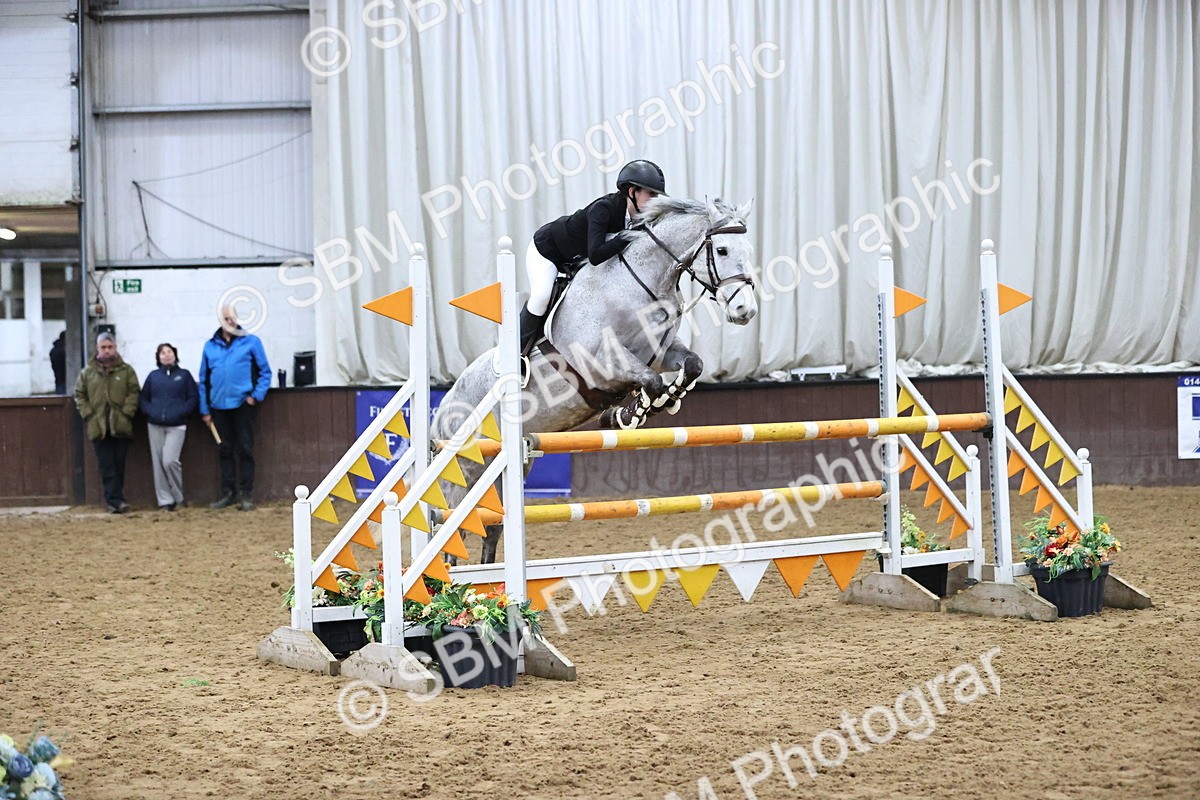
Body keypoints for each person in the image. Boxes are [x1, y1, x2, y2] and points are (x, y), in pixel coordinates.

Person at [521, 159, 666, 351]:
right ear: (632, 191)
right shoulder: (603, 209)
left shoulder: (639, 219)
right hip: (547, 250)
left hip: (577, 260)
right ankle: (516, 352)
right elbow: (596, 255)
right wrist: (628, 235)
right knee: (541, 296)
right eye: (651, 194)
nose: (656, 200)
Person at [199, 306, 271, 511]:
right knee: (224, 450)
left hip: (242, 406)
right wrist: (205, 410)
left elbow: (265, 372)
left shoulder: (251, 342)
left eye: (231, 318)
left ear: (237, 319)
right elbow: (203, 380)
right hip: (218, 407)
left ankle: (246, 494)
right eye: (225, 318)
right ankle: (228, 493)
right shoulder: (209, 346)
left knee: (245, 449)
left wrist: (255, 397)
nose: (228, 321)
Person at [74, 332, 139, 513]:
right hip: (98, 426)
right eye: (103, 347)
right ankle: (114, 501)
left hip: (120, 424)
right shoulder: (87, 372)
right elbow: (79, 395)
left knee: (119, 464)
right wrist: (89, 415)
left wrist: (127, 412)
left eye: (110, 347)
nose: (107, 351)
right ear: (97, 348)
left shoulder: (126, 371)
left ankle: (116, 500)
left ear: (115, 347)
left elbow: (134, 392)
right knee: (106, 466)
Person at [139, 343, 198, 511]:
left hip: (177, 425)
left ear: (175, 354)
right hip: (155, 425)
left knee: (170, 461)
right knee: (158, 464)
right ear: (158, 357)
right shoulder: (153, 376)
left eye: (169, 351)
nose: (166, 355)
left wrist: (181, 412)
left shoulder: (184, 375)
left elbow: (193, 398)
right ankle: (165, 501)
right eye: (162, 353)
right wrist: (151, 412)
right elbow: (143, 398)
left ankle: (179, 498)